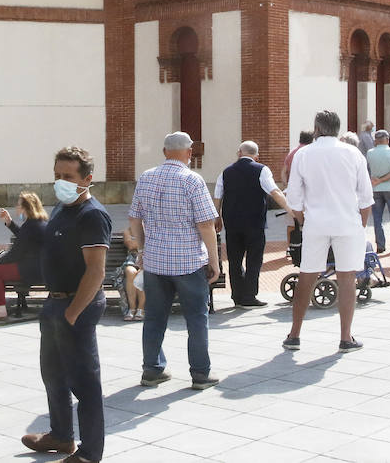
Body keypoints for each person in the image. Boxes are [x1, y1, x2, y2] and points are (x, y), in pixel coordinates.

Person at [21, 146, 111, 463]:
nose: (61, 182)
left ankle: (89, 453)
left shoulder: (92, 215)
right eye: (57, 175)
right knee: (53, 375)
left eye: (68, 176)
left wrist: (72, 313)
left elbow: (96, 271)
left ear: (87, 179)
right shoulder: (61, 208)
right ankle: (61, 436)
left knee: (84, 383)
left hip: (77, 306)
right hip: (55, 303)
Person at [130, 132, 221, 390]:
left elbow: (135, 218)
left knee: (154, 318)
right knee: (197, 319)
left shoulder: (146, 177)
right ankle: (200, 374)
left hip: (155, 261)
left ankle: (152, 369)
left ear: (164, 151)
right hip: (188, 261)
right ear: (189, 152)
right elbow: (206, 225)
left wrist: (142, 250)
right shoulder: (192, 180)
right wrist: (214, 261)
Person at [282, 110, 373, 353]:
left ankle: (294, 334)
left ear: (317, 129)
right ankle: (345, 337)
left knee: (307, 276)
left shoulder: (304, 154)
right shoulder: (353, 153)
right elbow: (366, 197)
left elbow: (294, 197)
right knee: (346, 278)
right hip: (347, 222)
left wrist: (303, 220)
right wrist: (360, 225)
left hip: (316, 223)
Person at [213, 141, 288, 308]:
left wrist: (217, 217)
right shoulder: (262, 170)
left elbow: (218, 195)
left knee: (234, 259)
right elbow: (274, 191)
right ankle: (249, 296)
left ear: (239, 153)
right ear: (257, 156)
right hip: (254, 222)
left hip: (232, 222)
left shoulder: (226, 172)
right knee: (254, 259)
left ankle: (237, 295)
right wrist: (290, 209)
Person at [0, 192, 48, 322]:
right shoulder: (38, 223)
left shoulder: (31, 226)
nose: (17, 207)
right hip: (40, 267)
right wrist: (9, 222)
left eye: (19, 205)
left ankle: (0, 310)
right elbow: (24, 237)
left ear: (26, 208)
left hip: (33, 270)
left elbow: (15, 254)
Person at [366, 130, 390, 254]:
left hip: (375, 189)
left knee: (377, 218)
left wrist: (375, 180)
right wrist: (382, 180)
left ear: (376, 140)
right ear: (387, 139)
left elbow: (367, 169)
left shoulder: (370, 153)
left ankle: (380, 245)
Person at [114, 228, 143, 321]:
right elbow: (130, 245)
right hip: (131, 260)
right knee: (130, 272)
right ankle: (131, 309)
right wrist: (145, 243)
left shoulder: (151, 229)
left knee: (143, 273)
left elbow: (134, 244)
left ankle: (141, 309)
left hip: (148, 260)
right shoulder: (128, 231)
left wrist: (136, 242)